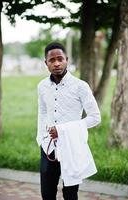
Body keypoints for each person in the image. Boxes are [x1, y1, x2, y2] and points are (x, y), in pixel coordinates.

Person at [36, 42, 101, 200]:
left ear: (67, 59)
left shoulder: (81, 86)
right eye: (52, 60)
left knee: (70, 194)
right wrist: (40, 138)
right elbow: (42, 112)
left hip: (71, 146)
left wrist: (63, 129)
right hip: (48, 147)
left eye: (60, 59)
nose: (56, 63)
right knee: (47, 193)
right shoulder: (42, 86)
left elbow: (95, 117)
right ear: (46, 63)